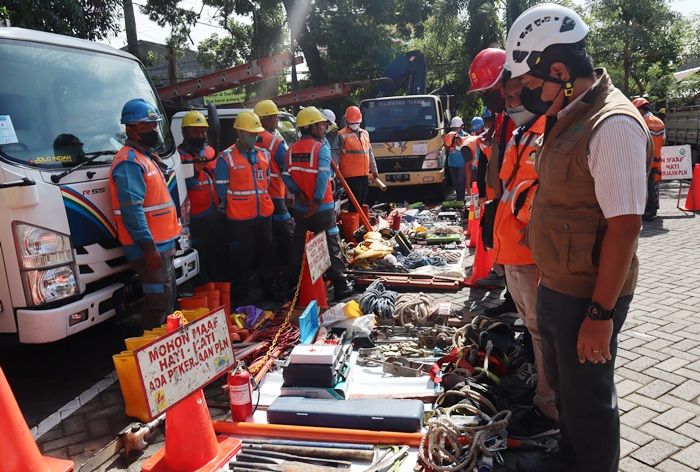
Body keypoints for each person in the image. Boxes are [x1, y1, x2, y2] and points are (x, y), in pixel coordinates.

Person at [505, 4, 653, 471]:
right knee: (569, 394)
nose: (527, 96)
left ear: (559, 70)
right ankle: (571, 457)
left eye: (530, 85)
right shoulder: (569, 116)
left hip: (586, 295)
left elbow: (626, 227)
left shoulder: (611, 124)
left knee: (589, 400)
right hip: (558, 283)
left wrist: (599, 314)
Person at [491, 76, 558, 437]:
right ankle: (542, 396)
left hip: (529, 254)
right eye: (508, 95)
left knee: (542, 331)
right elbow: (508, 191)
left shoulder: (546, 131)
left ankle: (549, 410)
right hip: (514, 252)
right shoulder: (523, 133)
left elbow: (534, 198)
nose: (512, 100)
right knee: (534, 330)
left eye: (518, 93)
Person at [109, 99, 181, 330]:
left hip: (162, 243)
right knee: (158, 301)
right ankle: (150, 346)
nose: (153, 130)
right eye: (146, 126)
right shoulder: (128, 163)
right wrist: (148, 248)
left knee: (168, 298)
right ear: (130, 129)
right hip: (149, 246)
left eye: (154, 125)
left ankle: (166, 345)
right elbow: (132, 210)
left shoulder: (145, 157)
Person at [284, 106, 353, 299]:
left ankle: (294, 288)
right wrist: (314, 200)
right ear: (312, 127)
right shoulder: (320, 148)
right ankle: (340, 285)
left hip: (300, 208)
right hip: (321, 207)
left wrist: (300, 194)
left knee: (299, 245)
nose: (324, 129)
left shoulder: (291, 150)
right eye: (321, 126)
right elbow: (323, 178)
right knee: (330, 242)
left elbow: (286, 177)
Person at [468, 48, 518, 299]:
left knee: (514, 248)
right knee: (501, 241)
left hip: (515, 193)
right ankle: (511, 296)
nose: (486, 97)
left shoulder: (521, 115)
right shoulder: (502, 116)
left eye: (488, 91)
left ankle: (513, 298)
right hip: (501, 190)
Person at [215, 111, 277, 304]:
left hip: (263, 215)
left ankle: (269, 291)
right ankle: (242, 299)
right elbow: (221, 190)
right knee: (242, 260)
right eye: (251, 133)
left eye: (256, 133)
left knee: (267, 256)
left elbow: (266, 182)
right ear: (240, 133)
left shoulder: (263, 155)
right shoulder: (226, 158)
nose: (255, 137)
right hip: (240, 220)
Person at [177, 110, 226, 284]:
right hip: (195, 217)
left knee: (217, 253)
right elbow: (180, 188)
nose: (201, 135)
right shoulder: (179, 157)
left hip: (214, 212)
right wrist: (195, 172)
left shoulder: (211, 151)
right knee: (200, 257)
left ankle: (219, 288)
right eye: (195, 132)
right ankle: (203, 289)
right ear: (185, 133)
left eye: (203, 131)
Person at [254, 100, 294, 276]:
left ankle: (271, 270)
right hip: (277, 193)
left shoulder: (248, 138)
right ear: (267, 119)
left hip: (258, 195)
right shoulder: (274, 141)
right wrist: (292, 191)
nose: (277, 120)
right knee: (285, 233)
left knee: (266, 236)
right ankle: (286, 269)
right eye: (275, 117)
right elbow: (287, 167)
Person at [335, 105, 378, 211]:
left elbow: (369, 152)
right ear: (347, 121)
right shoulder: (341, 135)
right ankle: (353, 225)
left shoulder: (365, 133)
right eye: (352, 123)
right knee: (355, 203)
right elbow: (335, 155)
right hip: (350, 176)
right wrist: (335, 174)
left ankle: (359, 223)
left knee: (361, 201)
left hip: (363, 174)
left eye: (356, 122)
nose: (355, 125)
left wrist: (374, 170)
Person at [633, 97, 665, 221]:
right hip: (657, 157)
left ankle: (648, 211)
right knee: (654, 183)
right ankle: (654, 208)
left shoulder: (642, 122)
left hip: (645, 158)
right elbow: (663, 140)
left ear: (640, 110)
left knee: (646, 185)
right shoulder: (660, 122)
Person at [444, 116, 471, 201]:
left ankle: (461, 201)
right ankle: (460, 200)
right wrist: (449, 148)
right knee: (456, 184)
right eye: (454, 128)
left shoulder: (466, 136)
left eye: (457, 128)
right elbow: (446, 146)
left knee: (460, 184)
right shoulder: (449, 136)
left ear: (462, 127)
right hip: (452, 164)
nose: (455, 130)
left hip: (462, 165)